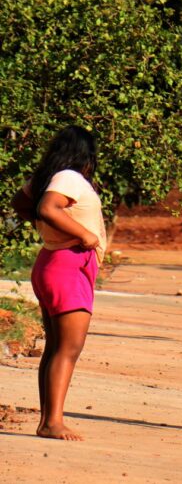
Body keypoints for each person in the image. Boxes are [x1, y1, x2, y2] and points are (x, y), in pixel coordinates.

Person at [10, 126, 106, 441]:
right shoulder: (69, 178)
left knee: (56, 348)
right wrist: (82, 234)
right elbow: (46, 208)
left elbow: (21, 203)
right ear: (85, 155)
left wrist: (48, 227)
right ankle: (53, 422)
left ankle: (48, 421)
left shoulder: (49, 178)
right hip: (69, 266)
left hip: (54, 263)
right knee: (68, 348)